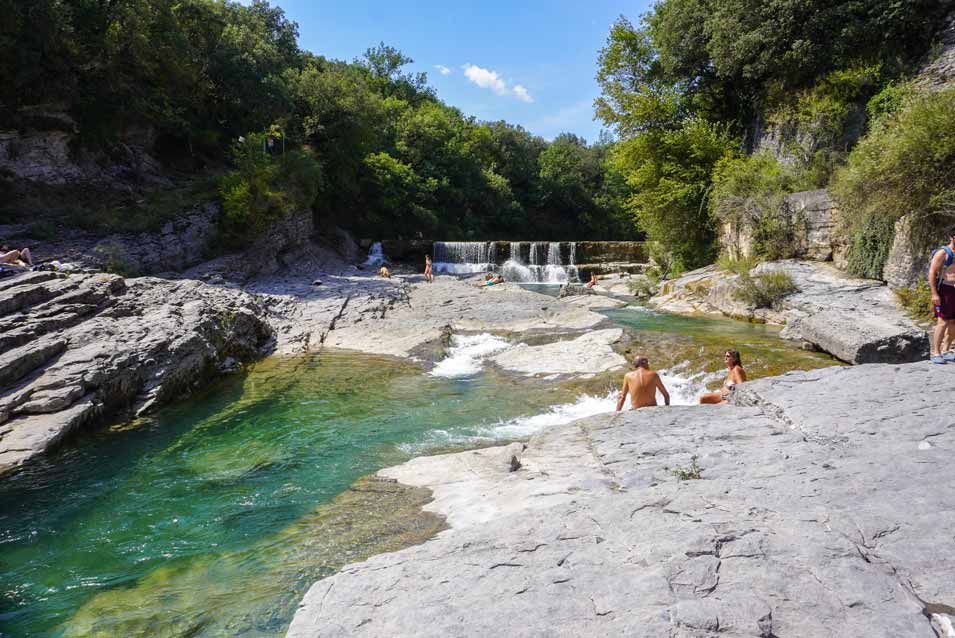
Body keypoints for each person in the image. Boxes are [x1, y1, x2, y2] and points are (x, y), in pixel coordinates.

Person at [928, 228, 955, 363]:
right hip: (946, 290)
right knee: (943, 322)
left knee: (953, 322)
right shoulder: (943, 253)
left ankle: (946, 350)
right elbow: (932, 272)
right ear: (952, 237)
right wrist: (934, 293)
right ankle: (936, 352)